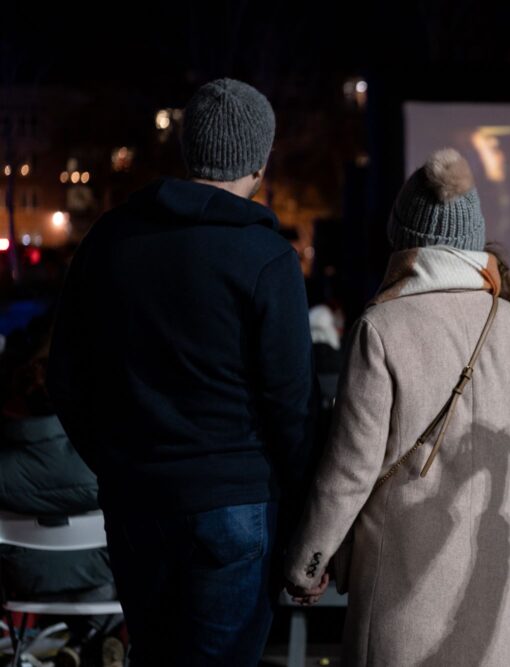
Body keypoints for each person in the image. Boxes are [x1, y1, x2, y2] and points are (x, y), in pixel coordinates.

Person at [47, 78, 315, 667]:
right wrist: (306, 519)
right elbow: (291, 406)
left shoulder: (109, 241)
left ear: (187, 149)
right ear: (260, 162)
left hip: (137, 497)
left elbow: (66, 376)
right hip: (236, 503)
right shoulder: (267, 259)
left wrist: (119, 459)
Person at [284, 148, 510, 667]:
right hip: (491, 573)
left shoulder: (382, 326)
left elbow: (352, 468)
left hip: (401, 572)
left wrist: (309, 562)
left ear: (404, 235)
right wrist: (485, 494)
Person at [0, 334, 124, 666]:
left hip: (25, 587)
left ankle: (81, 642)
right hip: (104, 583)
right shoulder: (104, 458)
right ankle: (89, 639)